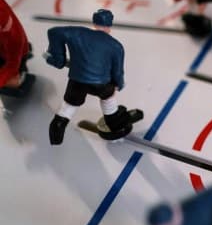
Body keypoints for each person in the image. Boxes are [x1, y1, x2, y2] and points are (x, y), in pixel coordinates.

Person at [44, 9, 140, 145]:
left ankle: (56, 136)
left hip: (77, 81)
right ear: (109, 25)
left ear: (94, 22)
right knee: (108, 98)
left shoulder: (77, 33)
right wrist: (119, 84)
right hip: (102, 84)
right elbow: (117, 72)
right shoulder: (116, 46)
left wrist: (58, 58)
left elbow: (53, 32)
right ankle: (114, 121)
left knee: (68, 107)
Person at [0, 0, 34, 96]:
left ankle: (21, 72)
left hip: (12, 53)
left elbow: (11, 66)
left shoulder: (14, 39)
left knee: (12, 82)